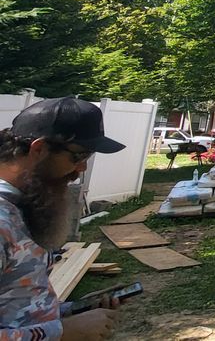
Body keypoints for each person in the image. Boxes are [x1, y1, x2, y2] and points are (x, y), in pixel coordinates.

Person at [1, 97, 126, 340]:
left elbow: (16, 301)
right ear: (38, 149)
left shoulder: (21, 207)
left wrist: (70, 312)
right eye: (78, 156)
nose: (82, 169)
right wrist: (63, 332)